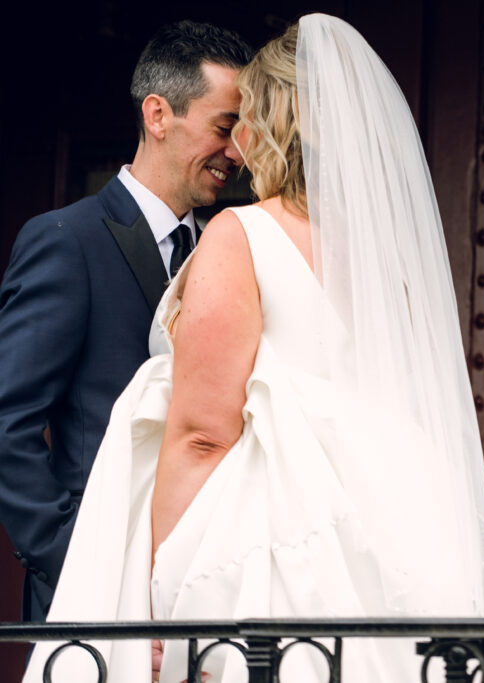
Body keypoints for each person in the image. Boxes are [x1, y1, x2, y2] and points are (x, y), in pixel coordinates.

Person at [23, 13, 484, 682]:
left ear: (276, 125)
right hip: (371, 571)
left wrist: (160, 602)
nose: (238, 145)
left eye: (244, 119)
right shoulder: (392, 272)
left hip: (258, 573)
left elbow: (198, 436)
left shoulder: (241, 234)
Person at [0, 21, 252, 622]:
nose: (237, 152)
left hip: (207, 587)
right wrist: (76, 562)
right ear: (158, 114)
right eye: (224, 127)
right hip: (92, 590)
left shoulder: (233, 248)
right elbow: (7, 423)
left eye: (244, 133)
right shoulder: (68, 240)